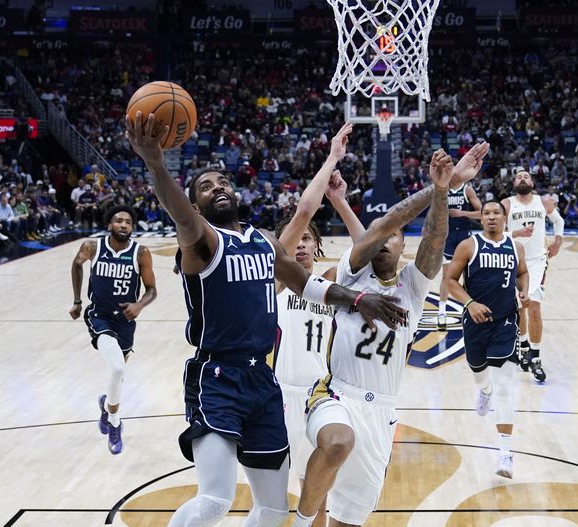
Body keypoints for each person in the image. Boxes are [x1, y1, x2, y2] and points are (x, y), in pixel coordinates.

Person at [126, 111, 405, 527]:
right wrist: (155, 162)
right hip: (217, 378)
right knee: (215, 501)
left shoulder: (264, 242)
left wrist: (356, 298)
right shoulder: (200, 242)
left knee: (274, 511)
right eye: (205, 187)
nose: (217, 187)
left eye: (222, 182)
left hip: (263, 383)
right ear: (196, 203)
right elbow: (181, 215)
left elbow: (307, 283)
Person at [292, 143, 489, 527]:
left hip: (381, 410)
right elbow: (383, 224)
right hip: (336, 394)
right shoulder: (352, 272)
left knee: (350, 518)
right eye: (383, 233)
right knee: (336, 443)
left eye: (396, 236)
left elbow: (433, 240)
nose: (386, 239)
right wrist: (438, 187)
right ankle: (301, 523)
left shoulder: (413, 287)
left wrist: (443, 192)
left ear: (404, 247)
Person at [273, 124, 366, 527]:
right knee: (274, 494)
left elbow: (366, 246)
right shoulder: (273, 281)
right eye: (294, 240)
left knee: (319, 491)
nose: (300, 244)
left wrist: (340, 201)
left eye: (308, 240)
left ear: (316, 246)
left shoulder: (330, 282)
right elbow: (300, 214)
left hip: (319, 393)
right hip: (276, 393)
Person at [446, 200, 529, 478]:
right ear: (480, 219)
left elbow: (522, 273)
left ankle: (505, 453)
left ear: (505, 218)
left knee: (505, 385)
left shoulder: (516, 247)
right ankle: (484, 391)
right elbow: (450, 281)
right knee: (479, 372)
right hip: (475, 323)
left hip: (505, 322)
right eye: (487, 213)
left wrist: (524, 291)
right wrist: (469, 303)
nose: (491, 217)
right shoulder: (469, 246)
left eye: (496, 213)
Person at [68, 205, 157, 454]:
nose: (123, 225)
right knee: (117, 367)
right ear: (110, 225)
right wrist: (77, 301)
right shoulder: (92, 247)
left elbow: (152, 290)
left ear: (132, 228)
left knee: (118, 374)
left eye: (128, 222)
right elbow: (77, 265)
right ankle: (116, 423)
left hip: (126, 320)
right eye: (118, 221)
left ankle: (107, 404)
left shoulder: (142, 252)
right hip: (99, 316)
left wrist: (139, 305)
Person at [502, 170, 564, 382]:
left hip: (538, 261)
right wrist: (517, 234)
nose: (522, 179)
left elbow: (559, 221)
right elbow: (496, 233)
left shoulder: (543, 201)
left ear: (532, 181)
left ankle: (535, 358)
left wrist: (558, 241)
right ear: (513, 182)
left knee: (534, 308)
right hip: (515, 261)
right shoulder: (507, 204)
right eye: (518, 176)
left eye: (526, 176)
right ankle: (524, 344)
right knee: (519, 309)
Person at [437, 173, 483, 330]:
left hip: (464, 236)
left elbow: (482, 213)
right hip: (447, 236)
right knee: (446, 275)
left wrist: (463, 213)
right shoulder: (442, 190)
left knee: (467, 275)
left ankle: (469, 308)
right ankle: (441, 312)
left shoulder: (467, 190)